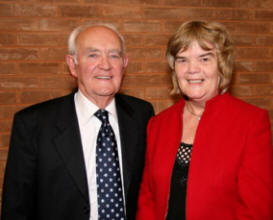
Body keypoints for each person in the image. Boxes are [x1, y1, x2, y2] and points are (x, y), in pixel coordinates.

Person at [1, 23, 154, 220]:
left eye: (114, 55)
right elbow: (16, 208)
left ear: (124, 64)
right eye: (93, 55)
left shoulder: (142, 115)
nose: (105, 65)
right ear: (73, 64)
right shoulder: (33, 124)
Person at [136, 20, 273, 220]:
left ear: (222, 65)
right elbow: (148, 199)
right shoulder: (158, 124)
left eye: (204, 58)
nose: (192, 69)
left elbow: (256, 211)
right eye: (182, 60)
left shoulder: (251, 123)